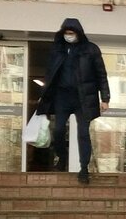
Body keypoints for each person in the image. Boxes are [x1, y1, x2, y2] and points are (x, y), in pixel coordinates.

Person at [36, 18, 110, 184]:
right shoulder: (57, 49)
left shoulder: (91, 50)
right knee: (58, 130)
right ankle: (62, 158)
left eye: (71, 33)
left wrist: (105, 98)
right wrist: (44, 94)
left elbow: (101, 74)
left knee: (83, 133)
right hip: (62, 96)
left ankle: (84, 168)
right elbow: (50, 74)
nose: (68, 36)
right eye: (66, 33)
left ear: (78, 33)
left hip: (82, 97)